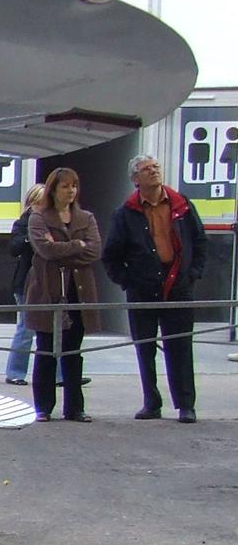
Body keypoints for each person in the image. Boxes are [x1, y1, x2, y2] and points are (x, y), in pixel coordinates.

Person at [103, 154, 206, 423]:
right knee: (145, 348)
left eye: (155, 167)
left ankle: (185, 405)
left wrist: (194, 273)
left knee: (181, 347)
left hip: (179, 288)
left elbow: (200, 241)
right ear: (135, 179)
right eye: (146, 169)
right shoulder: (125, 213)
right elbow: (111, 255)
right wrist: (127, 281)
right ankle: (151, 402)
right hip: (142, 291)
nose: (153, 172)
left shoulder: (181, 205)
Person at [24, 166, 102, 422]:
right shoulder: (38, 217)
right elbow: (45, 250)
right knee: (46, 349)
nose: (70, 191)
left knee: (72, 350)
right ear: (53, 189)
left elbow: (93, 252)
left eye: (74, 186)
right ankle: (43, 407)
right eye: (65, 186)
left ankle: (74, 407)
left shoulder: (86, 218)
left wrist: (64, 248)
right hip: (48, 290)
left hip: (78, 291)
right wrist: (75, 246)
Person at [3, 185, 44, 385]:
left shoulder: (54, 221)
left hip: (48, 281)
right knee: (26, 327)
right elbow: (14, 248)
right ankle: (15, 372)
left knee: (57, 327)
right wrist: (31, 238)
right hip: (26, 281)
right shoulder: (22, 223)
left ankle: (61, 375)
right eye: (39, 202)